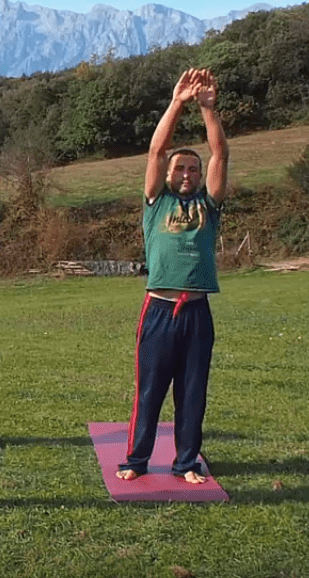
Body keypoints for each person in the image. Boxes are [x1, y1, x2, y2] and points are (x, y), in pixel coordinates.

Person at [116, 68, 228, 484]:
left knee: (193, 392)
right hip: (159, 311)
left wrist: (208, 110)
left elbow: (220, 154)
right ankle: (136, 460)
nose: (186, 174)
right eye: (180, 168)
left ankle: (186, 464)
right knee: (149, 390)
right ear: (167, 175)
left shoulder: (209, 205)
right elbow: (155, 151)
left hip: (197, 312)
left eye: (192, 170)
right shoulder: (155, 202)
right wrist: (178, 103)